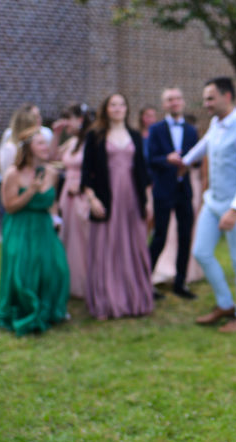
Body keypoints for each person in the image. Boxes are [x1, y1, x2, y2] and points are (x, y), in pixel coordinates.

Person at [169, 77, 236, 332]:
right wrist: (185, 161)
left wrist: (235, 208)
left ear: (227, 96)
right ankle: (225, 304)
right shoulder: (216, 123)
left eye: (210, 98)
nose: (205, 103)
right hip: (213, 201)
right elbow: (206, 143)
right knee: (200, 252)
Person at [81, 93, 155, 320]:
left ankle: (134, 298)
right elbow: (86, 173)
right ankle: (108, 300)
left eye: (122, 104)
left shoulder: (134, 134)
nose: (118, 108)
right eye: (113, 104)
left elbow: (143, 170)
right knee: (108, 247)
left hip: (132, 198)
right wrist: (92, 199)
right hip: (107, 198)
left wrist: (148, 199)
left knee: (133, 246)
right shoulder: (95, 136)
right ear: (106, 109)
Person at [0, 126, 69, 336]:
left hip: (43, 224)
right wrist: (32, 191)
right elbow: (10, 206)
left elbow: (50, 201)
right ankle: (25, 308)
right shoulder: (13, 174)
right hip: (20, 225)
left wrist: (56, 218)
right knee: (23, 271)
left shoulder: (51, 172)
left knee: (57, 268)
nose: (46, 147)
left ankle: (50, 308)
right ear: (29, 148)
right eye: (41, 143)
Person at [147, 87, 200, 299]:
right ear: (164, 105)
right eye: (170, 99)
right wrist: (167, 159)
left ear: (183, 102)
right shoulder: (156, 129)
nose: (174, 102)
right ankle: (146, 282)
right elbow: (150, 159)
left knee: (186, 237)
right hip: (163, 190)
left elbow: (196, 158)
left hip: (184, 190)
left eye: (177, 98)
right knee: (159, 236)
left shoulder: (191, 130)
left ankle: (180, 283)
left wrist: (188, 163)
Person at [54, 103, 94, 298]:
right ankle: (71, 283)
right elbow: (51, 157)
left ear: (79, 120)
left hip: (82, 194)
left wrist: (81, 186)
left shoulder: (91, 141)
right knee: (68, 238)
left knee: (84, 238)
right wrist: (56, 134)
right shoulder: (71, 142)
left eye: (67, 118)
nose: (65, 122)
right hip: (66, 196)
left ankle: (87, 283)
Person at [0, 104, 42, 176]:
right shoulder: (10, 148)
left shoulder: (40, 137)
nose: (39, 120)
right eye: (36, 118)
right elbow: (7, 175)